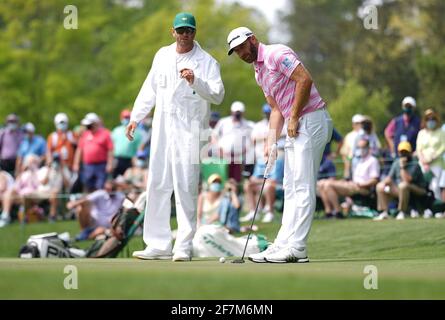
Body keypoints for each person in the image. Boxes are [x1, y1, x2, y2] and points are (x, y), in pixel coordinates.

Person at [227, 27, 332, 263]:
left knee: (303, 185)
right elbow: (276, 109)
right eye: (236, 51)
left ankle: (298, 247)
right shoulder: (258, 72)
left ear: (253, 40)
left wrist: (293, 117)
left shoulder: (276, 54)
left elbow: (304, 79)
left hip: (312, 119)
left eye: (243, 47)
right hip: (296, 124)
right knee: (291, 185)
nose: (241, 53)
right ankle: (283, 243)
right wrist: (271, 142)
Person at [127, 12, 224, 261]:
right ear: (173, 32)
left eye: (189, 30)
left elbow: (217, 95)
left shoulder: (206, 62)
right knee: (157, 183)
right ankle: (158, 244)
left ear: (195, 32)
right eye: (180, 31)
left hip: (190, 131)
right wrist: (136, 117)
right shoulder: (162, 55)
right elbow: (150, 88)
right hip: (162, 126)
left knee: (185, 186)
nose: (184, 35)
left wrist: (196, 81)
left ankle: (183, 245)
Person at [318, 138, 380, 218]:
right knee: (322, 183)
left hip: (362, 187)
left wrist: (362, 184)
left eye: (363, 147)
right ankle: (329, 212)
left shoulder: (372, 160)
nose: (361, 149)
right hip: (352, 184)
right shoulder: (359, 160)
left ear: (368, 147)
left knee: (328, 184)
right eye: (359, 147)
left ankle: (337, 212)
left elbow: (374, 180)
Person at [374, 141, 427, 220]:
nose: (403, 154)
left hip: (417, 189)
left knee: (403, 185)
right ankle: (384, 212)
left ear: (409, 152)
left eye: (405, 152)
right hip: (400, 189)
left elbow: (407, 180)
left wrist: (402, 167)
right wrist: (383, 184)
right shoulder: (396, 163)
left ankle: (402, 212)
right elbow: (389, 178)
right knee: (379, 186)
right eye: (401, 152)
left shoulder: (415, 164)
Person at [212, 101, 255, 182]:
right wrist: (219, 149)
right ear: (232, 112)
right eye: (236, 112)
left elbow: (252, 139)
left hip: (238, 157)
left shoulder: (248, 125)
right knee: (222, 177)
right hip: (223, 156)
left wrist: (245, 151)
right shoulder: (223, 122)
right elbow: (214, 136)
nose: (237, 115)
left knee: (236, 179)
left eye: (239, 112)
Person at [73, 113, 114, 192]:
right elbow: (79, 149)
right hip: (88, 166)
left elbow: (110, 150)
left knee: (100, 187)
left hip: (101, 165)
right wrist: (76, 163)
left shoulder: (105, 134)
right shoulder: (85, 135)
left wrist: (110, 164)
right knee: (88, 187)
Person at [416, 109, 445, 202]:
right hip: (423, 164)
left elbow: (443, 146)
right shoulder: (421, 133)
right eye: (428, 119)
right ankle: (427, 208)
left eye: (432, 119)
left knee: (435, 186)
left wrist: (432, 158)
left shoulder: (441, 132)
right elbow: (418, 149)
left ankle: (438, 207)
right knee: (425, 187)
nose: (430, 121)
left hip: (436, 163)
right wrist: (423, 161)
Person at [112, 109, 142, 178]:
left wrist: (137, 163)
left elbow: (139, 149)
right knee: (115, 180)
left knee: (128, 181)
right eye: (125, 117)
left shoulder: (137, 133)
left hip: (129, 161)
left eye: (128, 117)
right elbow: (111, 147)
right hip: (117, 160)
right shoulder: (116, 131)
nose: (126, 119)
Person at [340, 114, 365, 178]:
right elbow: (344, 153)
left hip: (365, 163)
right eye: (357, 123)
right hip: (352, 162)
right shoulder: (349, 136)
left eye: (361, 123)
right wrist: (347, 166)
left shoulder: (367, 134)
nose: (359, 125)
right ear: (353, 124)